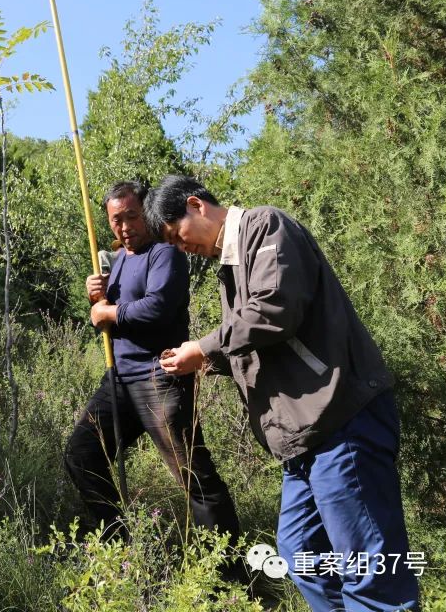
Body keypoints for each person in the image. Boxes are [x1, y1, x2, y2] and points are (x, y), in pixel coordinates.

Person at [145, 174, 418, 612]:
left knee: (369, 569)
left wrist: (205, 346)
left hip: (340, 420)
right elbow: (260, 343)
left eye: (178, 236)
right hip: (305, 438)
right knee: (301, 557)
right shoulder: (230, 267)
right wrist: (205, 359)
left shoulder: (265, 227)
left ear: (196, 205)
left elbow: (275, 309)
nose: (182, 249)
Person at [65, 181, 242, 549]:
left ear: (146, 213)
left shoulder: (165, 253)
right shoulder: (116, 260)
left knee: (193, 477)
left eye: (132, 216)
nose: (125, 226)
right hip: (120, 379)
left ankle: (230, 578)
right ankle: (122, 551)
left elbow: (157, 307)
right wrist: (96, 298)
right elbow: (107, 318)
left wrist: (108, 310)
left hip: (160, 377)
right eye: (116, 220)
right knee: (82, 455)